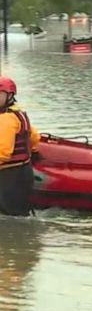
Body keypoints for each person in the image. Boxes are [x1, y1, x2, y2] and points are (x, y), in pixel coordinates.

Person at [0, 77, 40, 216]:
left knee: (9, 216)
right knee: (20, 213)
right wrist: (34, 151)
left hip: (8, 175)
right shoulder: (19, 114)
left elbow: (2, 153)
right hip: (24, 171)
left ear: (10, 96)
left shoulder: (5, 119)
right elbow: (34, 138)